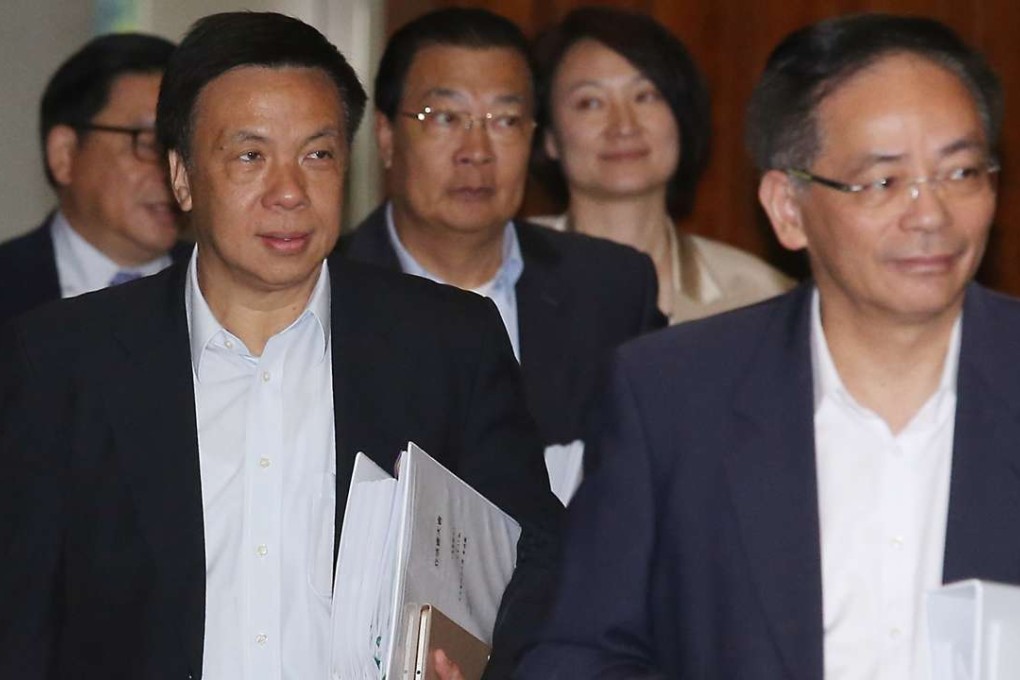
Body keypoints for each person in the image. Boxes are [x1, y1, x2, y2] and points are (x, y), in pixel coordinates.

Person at [0, 12, 560, 680]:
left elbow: (533, 556)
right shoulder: (65, 358)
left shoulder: (446, 342)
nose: (290, 192)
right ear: (182, 177)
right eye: (251, 156)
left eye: (317, 155)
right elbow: (22, 615)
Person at [518, 13, 1012, 679]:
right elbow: (579, 654)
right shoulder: (672, 396)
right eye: (884, 181)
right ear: (787, 207)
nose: (931, 214)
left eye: (961, 172)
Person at [342, 8, 664, 497]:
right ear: (386, 137)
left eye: (505, 120)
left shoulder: (613, 288)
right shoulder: (328, 288)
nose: (477, 150)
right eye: (445, 117)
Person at [530, 6, 792, 324]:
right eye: (590, 102)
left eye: (646, 96)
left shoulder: (762, 297)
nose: (624, 126)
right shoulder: (499, 273)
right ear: (549, 136)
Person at [0, 33, 188, 326]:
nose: (176, 171)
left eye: (185, 148)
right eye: (150, 144)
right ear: (64, 154)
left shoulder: (232, 288)